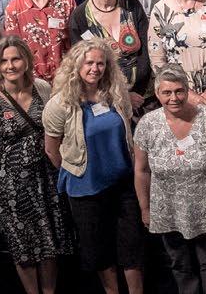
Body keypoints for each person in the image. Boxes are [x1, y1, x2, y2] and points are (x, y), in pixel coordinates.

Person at [43, 40, 143, 293]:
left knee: (131, 248)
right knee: (99, 251)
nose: (95, 69)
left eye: (101, 63)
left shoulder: (116, 94)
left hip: (123, 185)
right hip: (86, 189)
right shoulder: (60, 103)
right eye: (89, 63)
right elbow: (52, 150)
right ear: (76, 65)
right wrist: (79, 169)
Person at [0, 37, 72, 294]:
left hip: (46, 180)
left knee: (50, 242)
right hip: (11, 187)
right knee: (23, 246)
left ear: (26, 60)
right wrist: (0, 180)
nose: (10, 65)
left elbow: (56, 128)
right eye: (4, 61)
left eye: (15, 58)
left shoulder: (42, 88)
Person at [133, 66, 206, 294]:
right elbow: (141, 171)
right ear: (157, 94)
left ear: (187, 90)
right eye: (167, 92)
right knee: (180, 265)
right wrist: (145, 208)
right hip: (167, 209)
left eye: (179, 91)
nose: (174, 98)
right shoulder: (147, 124)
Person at [70, 0, 153, 100]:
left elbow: (146, 51)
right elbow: (84, 64)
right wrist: (121, 96)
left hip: (143, 94)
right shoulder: (80, 16)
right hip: (104, 96)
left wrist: (138, 91)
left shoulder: (132, 5)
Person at [3, 0, 75, 81]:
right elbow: (14, 49)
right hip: (32, 80)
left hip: (66, 76)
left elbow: (75, 40)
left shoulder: (66, 1)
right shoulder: (13, 9)